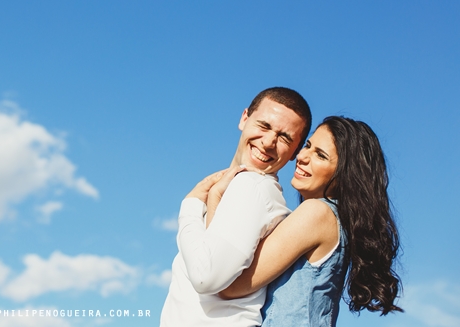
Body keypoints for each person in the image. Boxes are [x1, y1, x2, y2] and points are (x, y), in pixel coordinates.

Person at [214, 116, 402, 326]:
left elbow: (228, 285)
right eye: (308, 145)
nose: (302, 157)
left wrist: (213, 198)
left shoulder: (317, 213)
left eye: (320, 155)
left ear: (345, 175)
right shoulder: (333, 219)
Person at [159, 87, 312, 327]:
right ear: (244, 118)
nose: (269, 142)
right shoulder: (239, 187)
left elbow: (205, 278)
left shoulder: (254, 186)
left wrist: (188, 207)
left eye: (285, 138)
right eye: (264, 126)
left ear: (294, 153)